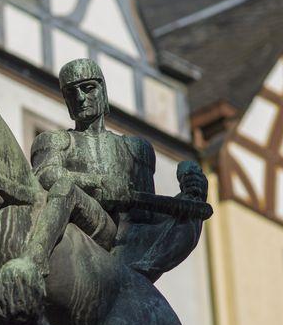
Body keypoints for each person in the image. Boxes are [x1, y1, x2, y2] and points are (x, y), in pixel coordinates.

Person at [30, 58, 207, 282]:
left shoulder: (136, 149)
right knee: (65, 188)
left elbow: (146, 213)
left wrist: (189, 194)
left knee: (190, 215)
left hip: (129, 237)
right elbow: (46, 175)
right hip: (89, 222)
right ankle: (34, 260)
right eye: (71, 93)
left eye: (88, 88)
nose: (80, 98)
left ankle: (138, 275)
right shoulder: (55, 140)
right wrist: (99, 183)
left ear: (102, 90)